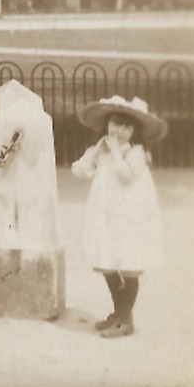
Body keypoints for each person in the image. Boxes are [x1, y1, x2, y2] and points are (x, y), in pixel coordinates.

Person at [71, 94, 167, 338]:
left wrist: (115, 152)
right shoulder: (100, 148)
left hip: (130, 214)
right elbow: (79, 171)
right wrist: (94, 154)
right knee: (108, 261)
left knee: (129, 262)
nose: (120, 130)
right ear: (107, 124)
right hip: (106, 213)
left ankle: (125, 318)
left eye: (126, 126)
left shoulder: (136, 152)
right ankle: (119, 312)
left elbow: (126, 175)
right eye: (115, 124)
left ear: (135, 131)